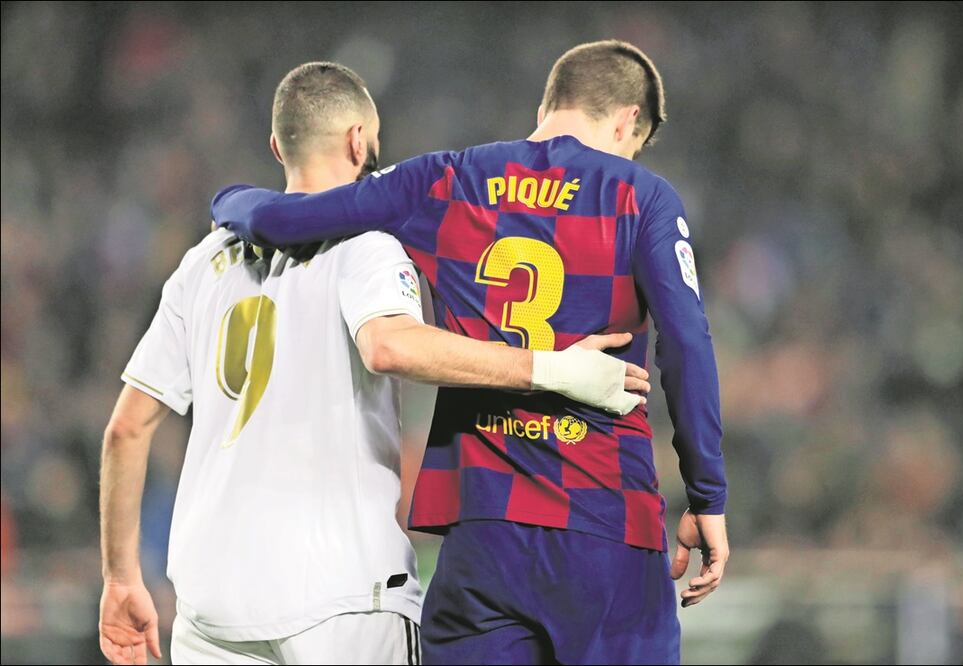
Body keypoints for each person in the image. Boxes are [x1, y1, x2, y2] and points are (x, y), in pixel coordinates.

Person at [99, 61, 649, 666]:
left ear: (278, 146)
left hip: (211, 606)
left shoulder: (203, 262)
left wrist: (120, 579)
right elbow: (390, 345)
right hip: (343, 593)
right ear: (359, 141)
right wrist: (553, 369)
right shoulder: (368, 244)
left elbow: (126, 429)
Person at [212, 41, 729, 665]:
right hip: (603, 521)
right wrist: (707, 495)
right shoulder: (641, 196)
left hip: (482, 534)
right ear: (628, 121)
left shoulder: (445, 180)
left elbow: (281, 219)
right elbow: (687, 342)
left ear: (548, 106)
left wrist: (226, 199)